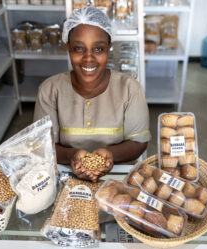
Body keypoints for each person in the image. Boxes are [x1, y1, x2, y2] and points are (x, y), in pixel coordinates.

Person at [33, 6, 151, 182]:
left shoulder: (130, 89)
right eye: (79, 49)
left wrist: (110, 155)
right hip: (65, 175)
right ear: (68, 48)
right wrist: (71, 155)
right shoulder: (50, 90)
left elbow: (139, 143)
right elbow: (43, 147)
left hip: (118, 176)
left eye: (98, 49)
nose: (89, 58)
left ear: (109, 48)